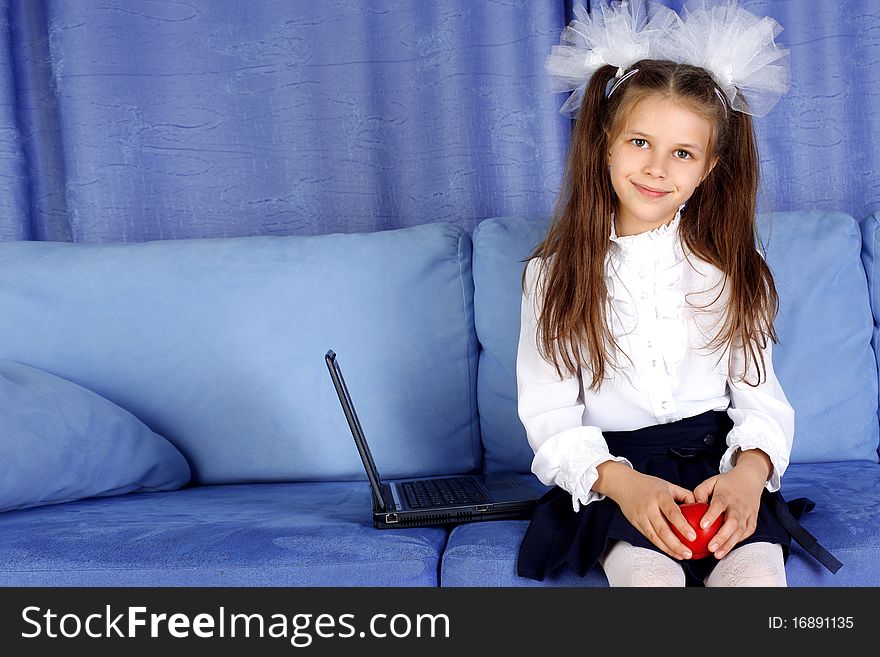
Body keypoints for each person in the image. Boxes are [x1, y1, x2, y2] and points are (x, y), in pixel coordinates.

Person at [515, 0, 842, 587]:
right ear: (605, 143)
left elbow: (759, 395)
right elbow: (551, 419)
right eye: (640, 142)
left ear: (709, 167)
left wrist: (747, 476)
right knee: (649, 584)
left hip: (722, 468)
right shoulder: (553, 275)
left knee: (759, 582)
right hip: (618, 476)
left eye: (683, 153)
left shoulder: (734, 267)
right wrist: (625, 485)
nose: (657, 169)